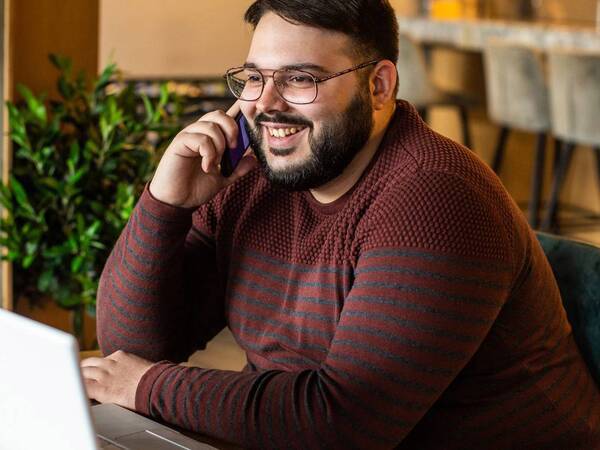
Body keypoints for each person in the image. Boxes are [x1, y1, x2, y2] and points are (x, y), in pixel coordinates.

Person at [81, 1, 600, 448]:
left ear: (378, 86)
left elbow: (342, 425)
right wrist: (165, 203)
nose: (266, 105)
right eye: (255, 78)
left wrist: (147, 386)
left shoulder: (434, 197)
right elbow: (134, 349)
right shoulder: (249, 177)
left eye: (300, 79)